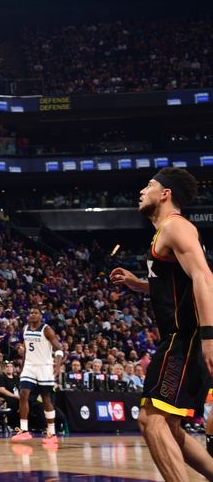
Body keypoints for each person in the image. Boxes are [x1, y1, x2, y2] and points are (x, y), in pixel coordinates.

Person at [110, 167, 213, 481]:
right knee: (168, 425)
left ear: (165, 193)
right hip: (185, 335)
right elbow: (179, 281)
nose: (142, 190)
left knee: (150, 420)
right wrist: (140, 284)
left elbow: (204, 277)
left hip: (187, 336)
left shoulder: (174, 226)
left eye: (149, 185)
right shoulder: (166, 233)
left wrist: (209, 336)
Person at [10, 307, 63, 445]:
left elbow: (59, 348)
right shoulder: (25, 328)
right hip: (29, 366)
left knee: (46, 398)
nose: (32, 314)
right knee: (23, 394)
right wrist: (23, 367)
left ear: (40, 316)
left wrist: (57, 366)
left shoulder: (46, 329)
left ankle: (51, 433)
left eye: (36, 313)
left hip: (44, 366)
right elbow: (27, 349)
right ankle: (24, 430)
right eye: (31, 312)